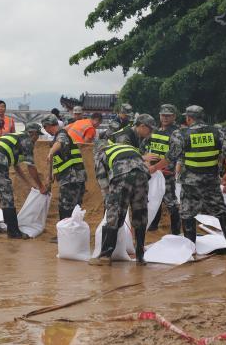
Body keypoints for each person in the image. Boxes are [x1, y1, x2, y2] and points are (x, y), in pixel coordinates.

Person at [167, 105, 226, 254]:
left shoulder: (180, 133)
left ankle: (191, 248)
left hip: (189, 182)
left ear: (188, 118)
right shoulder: (218, 131)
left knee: (187, 213)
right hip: (210, 181)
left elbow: (173, 156)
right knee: (221, 210)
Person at [0, 123, 47, 239]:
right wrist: (41, 186)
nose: (37, 139)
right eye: (38, 135)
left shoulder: (16, 137)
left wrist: (30, 184)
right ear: (33, 134)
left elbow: (17, 167)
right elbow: (31, 166)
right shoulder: (27, 141)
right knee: (7, 195)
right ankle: (13, 232)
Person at [90, 138, 149, 266]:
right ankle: (140, 256)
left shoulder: (100, 153)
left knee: (114, 215)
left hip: (121, 175)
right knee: (140, 214)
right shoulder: (126, 147)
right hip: (143, 175)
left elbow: (103, 182)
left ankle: (105, 256)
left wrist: (108, 203)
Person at [42, 114, 87, 242]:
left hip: (71, 178)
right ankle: (74, 233)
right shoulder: (57, 138)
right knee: (75, 208)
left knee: (65, 207)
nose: (45, 130)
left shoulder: (61, 134)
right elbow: (59, 160)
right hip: (74, 178)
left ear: (49, 126)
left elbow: (60, 143)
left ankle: (64, 234)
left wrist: (50, 152)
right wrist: (51, 175)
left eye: (45, 127)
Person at [144, 104, 180, 233]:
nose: (165, 118)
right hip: (153, 171)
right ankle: (153, 224)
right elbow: (144, 147)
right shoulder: (154, 131)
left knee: (170, 201)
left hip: (167, 172)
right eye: (163, 115)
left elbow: (173, 155)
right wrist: (146, 160)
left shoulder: (176, 133)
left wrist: (156, 167)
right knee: (154, 197)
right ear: (159, 115)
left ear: (174, 117)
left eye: (168, 116)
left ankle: (176, 230)